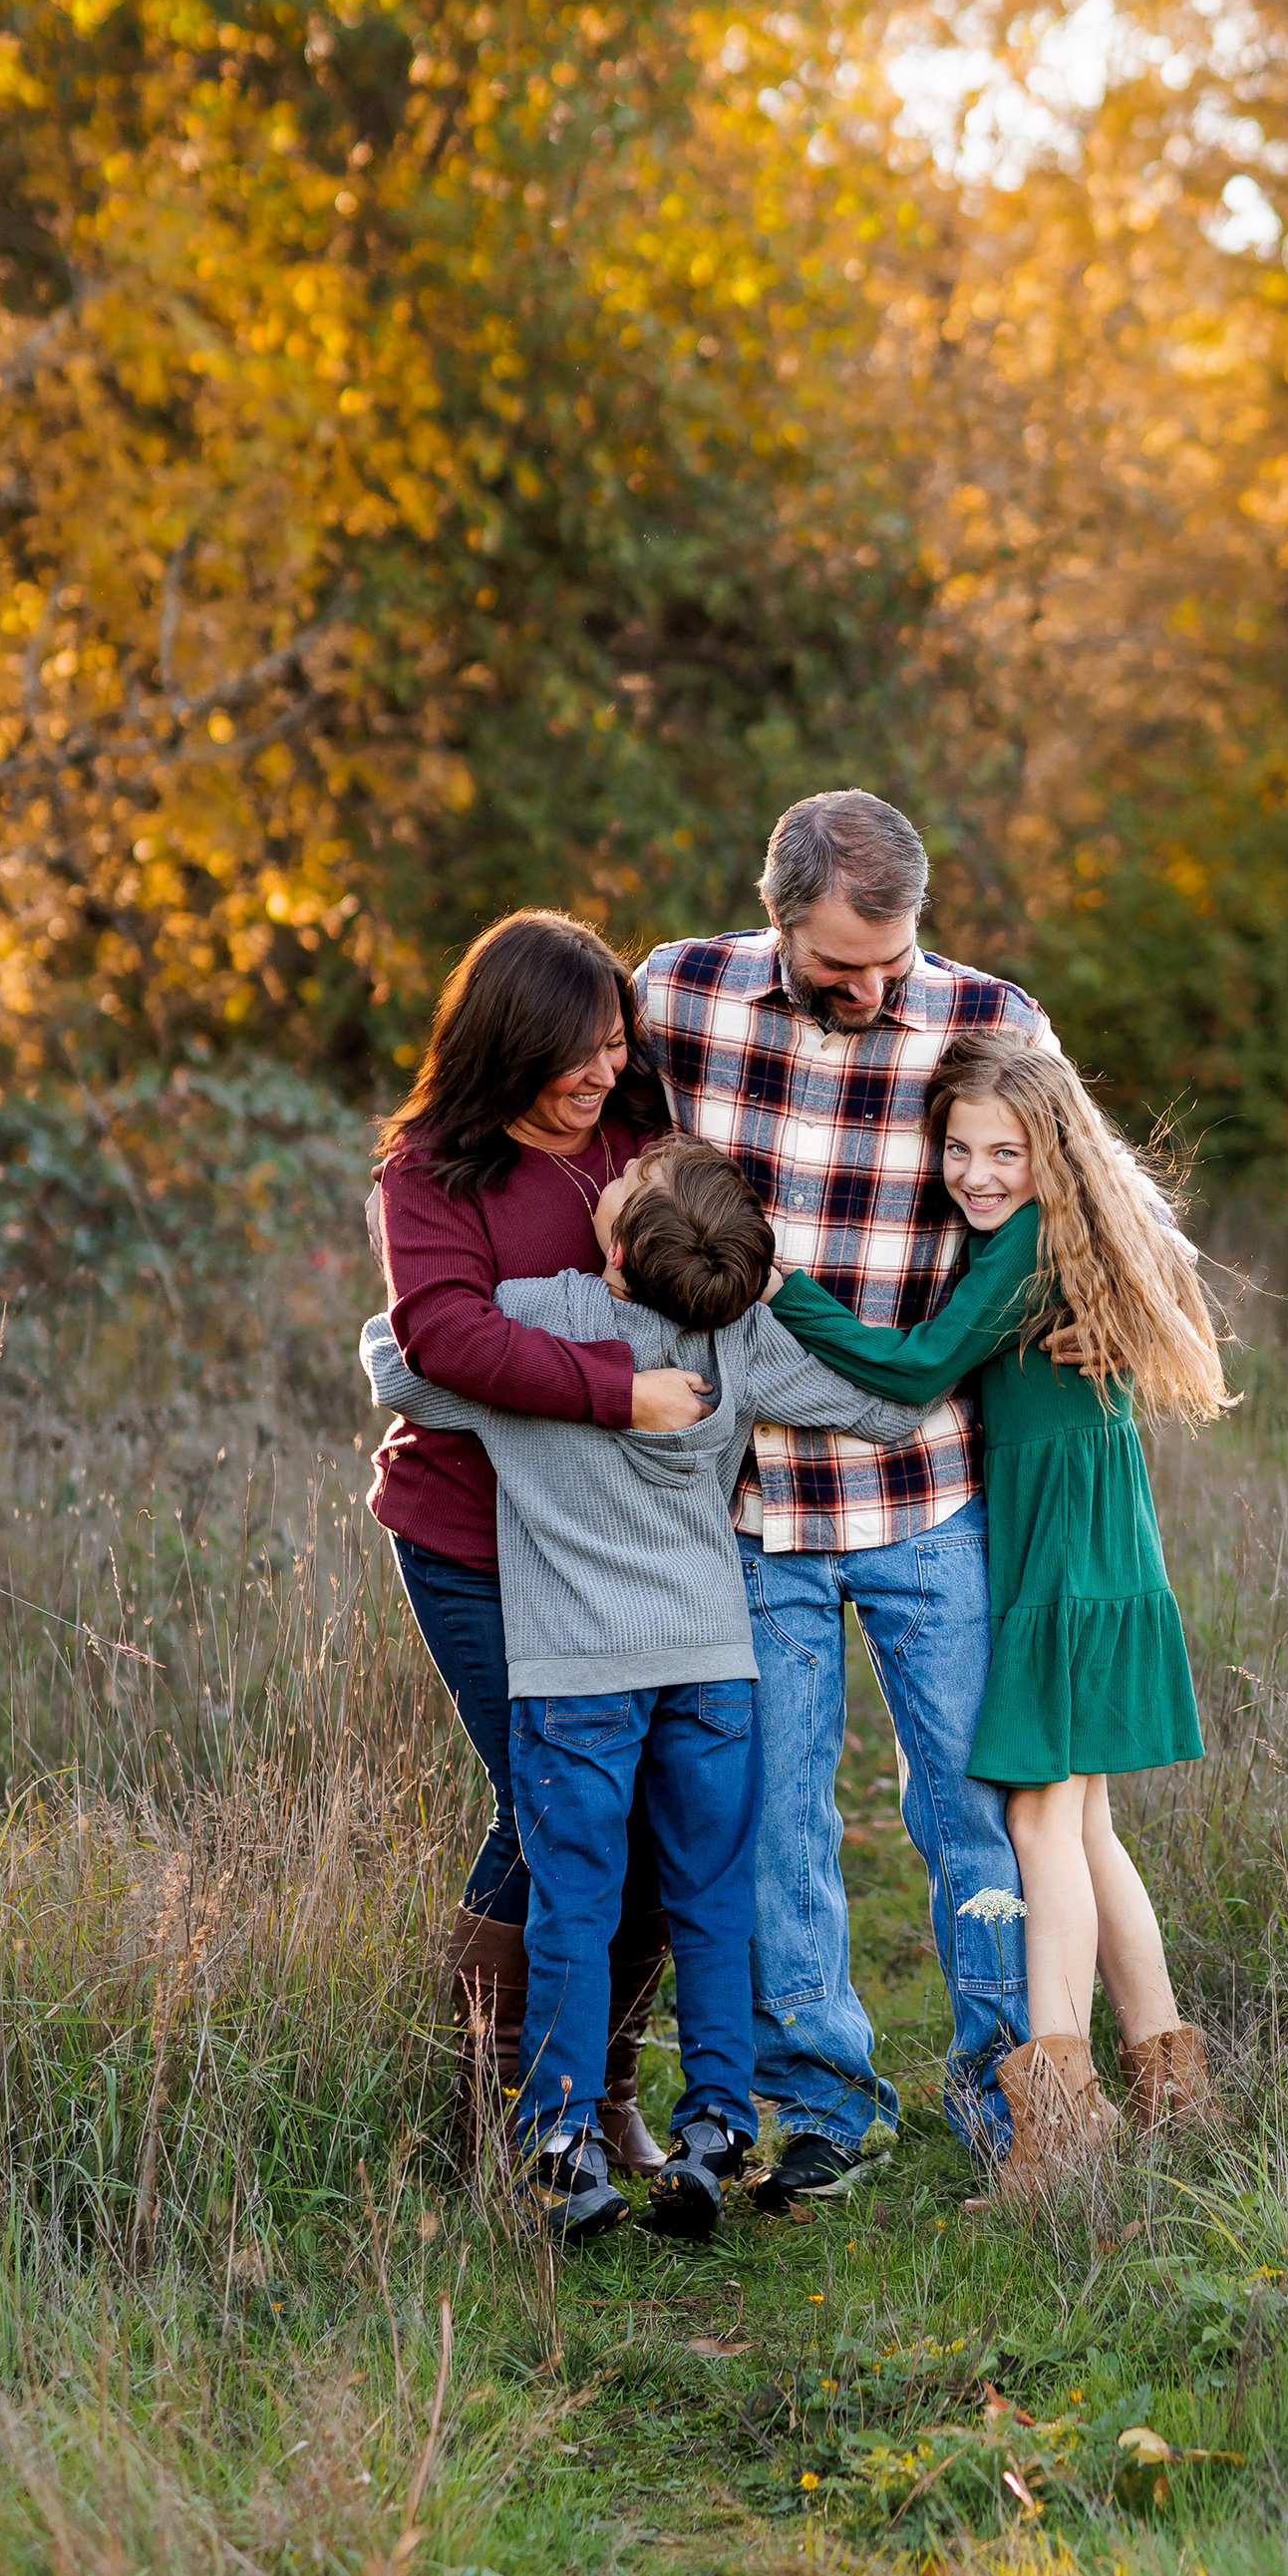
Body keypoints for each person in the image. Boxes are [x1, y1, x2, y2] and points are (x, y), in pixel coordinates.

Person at [361, 1135, 924, 2241]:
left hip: (575, 1670)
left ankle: (562, 2144)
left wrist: (427, 1333)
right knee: (709, 1897)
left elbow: (398, 1364)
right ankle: (715, 2124)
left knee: (574, 1898)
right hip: (712, 1660)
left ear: (617, 1257)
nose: (607, 1175)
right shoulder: (741, 1334)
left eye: (618, 1189)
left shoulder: (532, 1315)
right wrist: (770, 1297)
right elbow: (889, 1411)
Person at [636, 790, 1051, 2202]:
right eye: (838, 968)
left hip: (932, 1491)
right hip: (747, 1502)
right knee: (772, 1813)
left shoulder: (995, 1020)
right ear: (775, 921)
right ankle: (824, 2100)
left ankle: (1008, 2085)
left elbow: (1067, 1229)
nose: (872, 990)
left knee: (971, 1810)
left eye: (894, 961)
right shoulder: (677, 995)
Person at [767, 1031, 1230, 2188]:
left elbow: (916, 1367)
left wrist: (789, 1291)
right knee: (1084, 1825)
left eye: (1002, 1151)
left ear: (1051, 1153)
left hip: (1060, 1561)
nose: (974, 1172)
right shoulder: (1072, 1228)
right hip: (1089, 1542)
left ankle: (1061, 2114)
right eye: (957, 1148)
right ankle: (1173, 2084)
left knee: (1037, 1826)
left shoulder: (1027, 1245)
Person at [367, 910, 712, 2175]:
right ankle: (488, 2104)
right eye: (572, 1053)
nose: (598, 1073)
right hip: (473, 1541)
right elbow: (443, 1337)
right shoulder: (430, 1170)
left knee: (653, 1809)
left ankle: (603, 2089)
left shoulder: (638, 1144)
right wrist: (617, 1387)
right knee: (553, 1799)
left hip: (619, 1542)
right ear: (503, 1046)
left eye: (614, 1045)